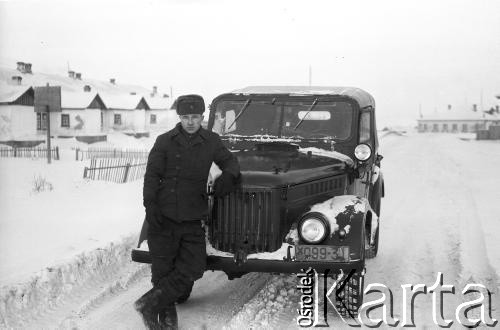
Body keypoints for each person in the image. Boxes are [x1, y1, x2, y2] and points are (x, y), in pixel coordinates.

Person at [135, 94, 240, 329]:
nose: (190, 122)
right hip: (164, 215)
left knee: (194, 266)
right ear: (179, 117)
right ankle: (165, 321)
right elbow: (152, 176)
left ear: (202, 117)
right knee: (163, 271)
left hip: (193, 215)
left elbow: (230, 162)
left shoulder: (211, 141)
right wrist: (150, 206)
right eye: (185, 117)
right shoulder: (164, 141)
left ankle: (148, 303)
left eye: (194, 117)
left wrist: (229, 177)